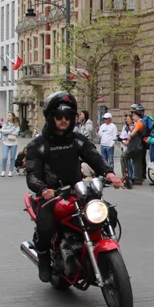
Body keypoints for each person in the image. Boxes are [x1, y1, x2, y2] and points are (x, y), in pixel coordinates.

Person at [24, 92, 124, 282]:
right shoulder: (38, 145)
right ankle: (44, 257)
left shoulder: (77, 140)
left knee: (108, 213)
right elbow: (32, 175)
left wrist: (109, 174)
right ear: (51, 117)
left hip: (78, 191)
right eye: (59, 116)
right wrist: (44, 189)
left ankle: (99, 250)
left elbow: (94, 157)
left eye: (68, 117)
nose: (64, 120)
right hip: (53, 195)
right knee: (45, 227)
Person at [0, 112, 19, 177]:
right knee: (4, 157)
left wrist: (7, 131)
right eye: (8, 115)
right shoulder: (5, 124)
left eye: (10, 115)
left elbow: (16, 133)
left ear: (13, 117)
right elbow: (2, 131)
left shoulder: (16, 124)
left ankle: (11, 171)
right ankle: (3, 170)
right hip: (6, 141)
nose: (8, 117)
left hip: (14, 142)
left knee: (12, 157)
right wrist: (10, 131)